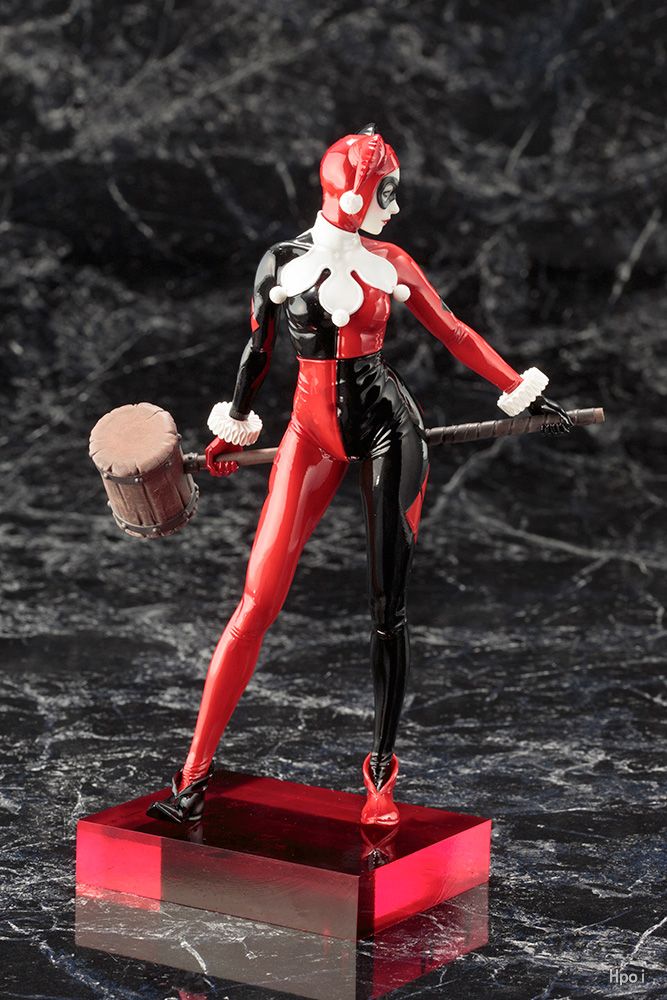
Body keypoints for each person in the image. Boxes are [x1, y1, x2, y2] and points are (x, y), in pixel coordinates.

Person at [147, 124, 571, 828]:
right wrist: (233, 426)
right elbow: (256, 352)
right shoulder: (282, 261)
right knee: (256, 601)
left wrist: (518, 390)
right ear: (352, 191)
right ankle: (192, 774)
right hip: (308, 434)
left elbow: (454, 331)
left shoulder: (391, 261)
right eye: (387, 193)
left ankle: (380, 774)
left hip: (387, 429)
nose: (395, 208)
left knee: (386, 607)